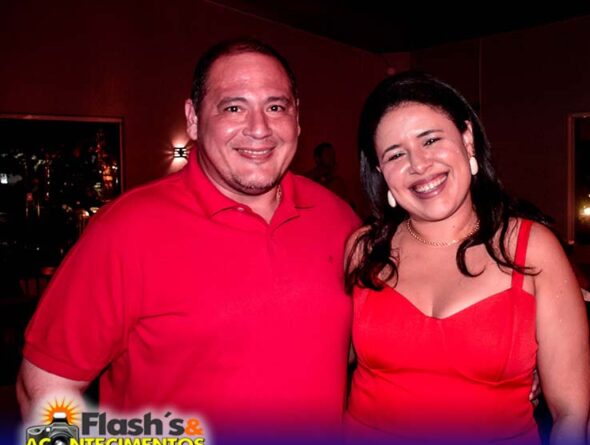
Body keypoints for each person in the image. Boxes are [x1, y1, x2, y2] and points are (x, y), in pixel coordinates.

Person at [17, 38, 361, 441]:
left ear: (297, 118)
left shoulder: (338, 219)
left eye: (275, 107)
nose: (259, 128)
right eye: (233, 107)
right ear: (194, 119)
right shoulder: (126, 230)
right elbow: (43, 390)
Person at [344, 72, 590, 444]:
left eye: (431, 140)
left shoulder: (532, 249)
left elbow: (573, 414)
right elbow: (321, 364)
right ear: (382, 172)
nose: (419, 164)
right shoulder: (363, 250)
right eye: (395, 154)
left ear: (467, 138)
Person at [305, 141, 354, 206]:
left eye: (333, 154)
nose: (332, 157)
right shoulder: (307, 180)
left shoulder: (338, 182)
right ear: (317, 158)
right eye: (328, 154)